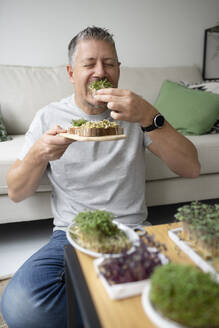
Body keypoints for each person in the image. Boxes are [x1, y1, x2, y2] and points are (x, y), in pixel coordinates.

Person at [1, 26, 200, 328]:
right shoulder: (48, 116)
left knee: (193, 289)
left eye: (109, 63)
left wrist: (149, 117)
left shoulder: (136, 112)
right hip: (70, 235)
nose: (100, 71)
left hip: (131, 231)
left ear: (119, 69)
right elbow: (15, 192)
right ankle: (123, 312)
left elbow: (191, 167)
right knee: (22, 306)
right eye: (89, 63)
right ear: (71, 72)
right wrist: (40, 151)